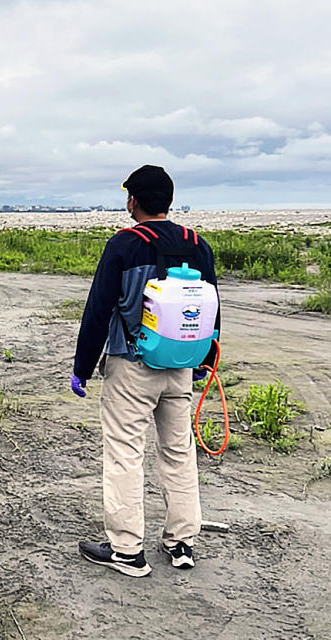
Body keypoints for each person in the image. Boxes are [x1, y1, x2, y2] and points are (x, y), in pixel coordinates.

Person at [70, 165, 220, 577]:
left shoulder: (124, 245)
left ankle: (126, 551)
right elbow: (212, 311)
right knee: (178, 452)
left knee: (124, 454)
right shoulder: (197, 244)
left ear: (133, 201)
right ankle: (182, 542)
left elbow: (99, 310)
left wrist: (83, 367)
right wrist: (205, 361)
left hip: (131, 366)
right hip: (181, 368)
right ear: (168, 201)